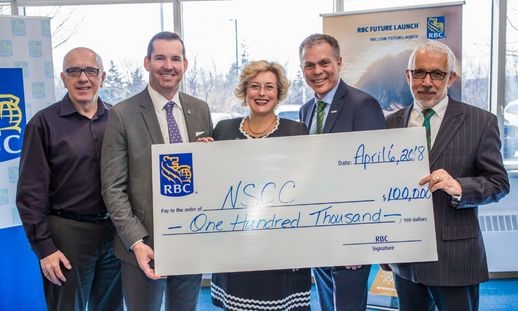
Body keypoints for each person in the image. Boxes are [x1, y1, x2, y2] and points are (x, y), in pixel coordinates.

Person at [382, 41, 510, 311]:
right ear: (408, 76)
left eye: (437, 73)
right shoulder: (390, 124)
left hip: (456, 259)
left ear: (450, 78)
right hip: (406, 260)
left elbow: (499, 183)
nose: (427, 82)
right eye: (419, 73)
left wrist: (460, 187)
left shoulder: (480, 122)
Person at [100, 31, 213, 311]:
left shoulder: (200, 110)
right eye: (160, 58)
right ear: (147, 62)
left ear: (185, 65)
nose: (168, 66)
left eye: (176, 59)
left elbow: (207, 179)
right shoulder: (122, 114)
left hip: (190, 240)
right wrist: (136, 241)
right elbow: (113, 188)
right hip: (144, 245)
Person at [16, 47, 123, 311]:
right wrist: (44, 248)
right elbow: (30, 194)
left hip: (115, 234)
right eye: (74, 71)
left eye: (90, 71)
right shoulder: (42, 124)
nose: (83, 78)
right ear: (63, 78)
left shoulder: (118, 120)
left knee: (111, 306)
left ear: (103, 77)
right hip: (67, 235)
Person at [202, 60, 311, 311]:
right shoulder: (223, 130)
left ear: (279, 92)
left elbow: (307, 189)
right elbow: (213, 185)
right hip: (236, 244)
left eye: (269, 87)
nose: (262, 93)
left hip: (282, 245)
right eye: (255, 86)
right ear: (244, 91)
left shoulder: (297, 131)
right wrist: (202, 158)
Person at [298, 33, 386, 311]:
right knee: (327, 304)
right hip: (317, 230)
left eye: (324, 62)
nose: (317, 71)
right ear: (302, 70)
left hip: (350, 234)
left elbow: (375, 176)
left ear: (339, 62)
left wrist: (359, 239)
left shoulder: (363, 105)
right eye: (309, 65)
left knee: (348, 306)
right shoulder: (306, 110)